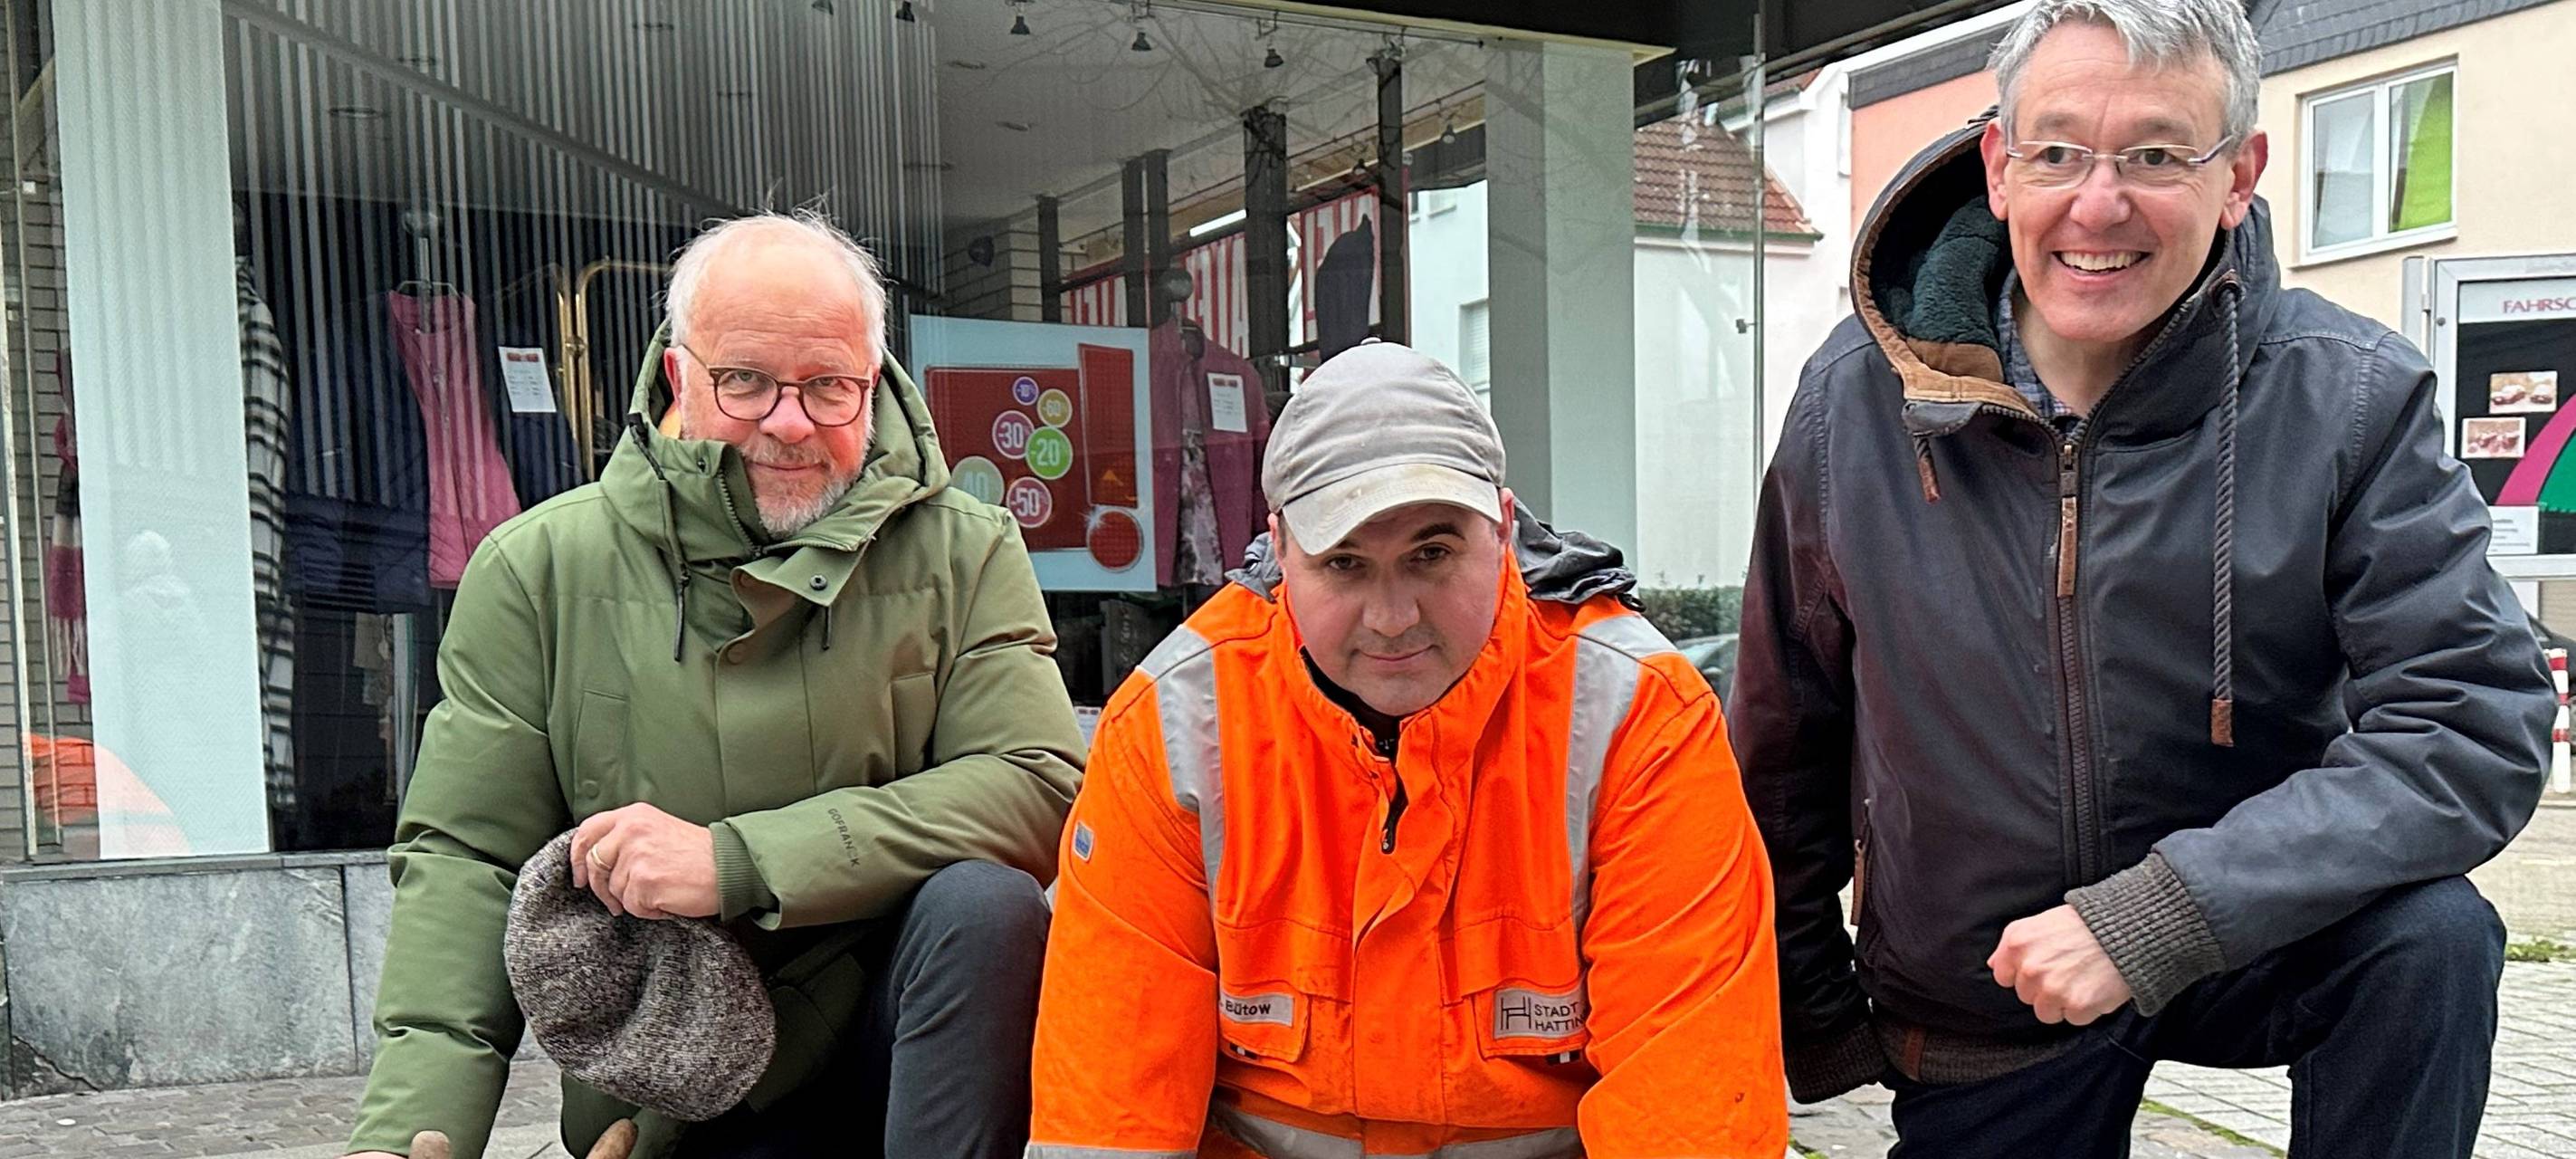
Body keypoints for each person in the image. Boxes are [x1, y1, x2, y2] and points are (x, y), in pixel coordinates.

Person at [1732, 2, 2552, 1156]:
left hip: (2251, 931)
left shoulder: (2348, 395)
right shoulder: (1854, 401)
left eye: (2157, 154)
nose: (2097, 202)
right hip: (1989, 983)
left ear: (2239, 176)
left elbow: (2470, 716)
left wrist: (2160, 912)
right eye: (2057, 150)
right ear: (1998, 165)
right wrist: (1814, 1010)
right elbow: (1783, 730)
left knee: (2430, 938)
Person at [341, 212, 1083, 1159]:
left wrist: (735, 860)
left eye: (827, 386)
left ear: (874, 381)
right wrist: (413, 1126)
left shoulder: (964, 548)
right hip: (669, 1080)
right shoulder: (541, 566)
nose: (788, 421)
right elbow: (466, 855)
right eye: (745, 381)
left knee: (985, 903)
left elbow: (1031, 780)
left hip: (900, 1045)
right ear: (677, 373)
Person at [1027, 341, 1787, 1158]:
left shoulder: (1640, 717)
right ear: (1278, 552)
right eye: (1345, 565)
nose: (1392, 619)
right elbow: (1107, 1119)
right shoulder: (1171, 728)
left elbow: (1692, 1116)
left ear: (1502, 526)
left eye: (1432, 555)